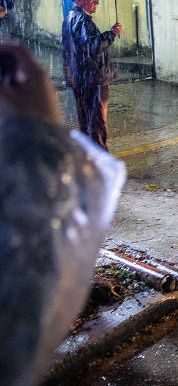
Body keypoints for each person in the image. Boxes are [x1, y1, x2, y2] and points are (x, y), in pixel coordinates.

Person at [0, 42, 125, 386]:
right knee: (94, 127)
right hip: (87, 83)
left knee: (93, 125)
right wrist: (37, 142)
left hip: (85, 83)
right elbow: (20, 336)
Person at [61, 0, 122, 150]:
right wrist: (111, 34)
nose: (97, 3)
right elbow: (93, 47)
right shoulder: (82, 20)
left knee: (86, 122)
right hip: (93, 79)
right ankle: (100, 162)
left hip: (80, 79)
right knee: (96, 124)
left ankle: (89, 158)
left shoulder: (69, 18)